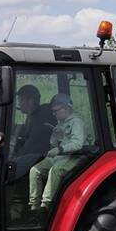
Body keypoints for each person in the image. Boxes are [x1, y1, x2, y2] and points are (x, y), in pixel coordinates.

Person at [28, 93, 88, 221]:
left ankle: (45, 206)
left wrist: (59, 149)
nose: (53, 114)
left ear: (66, 108)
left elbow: (77, 144)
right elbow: (54, 143)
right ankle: (34, 206)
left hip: (75, 156)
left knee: (55, 170)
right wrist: (54, 136)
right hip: (61, 156)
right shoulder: (61, 123)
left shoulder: (76, 122)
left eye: (56, 111)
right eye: (53, 111)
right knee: (35, 170)